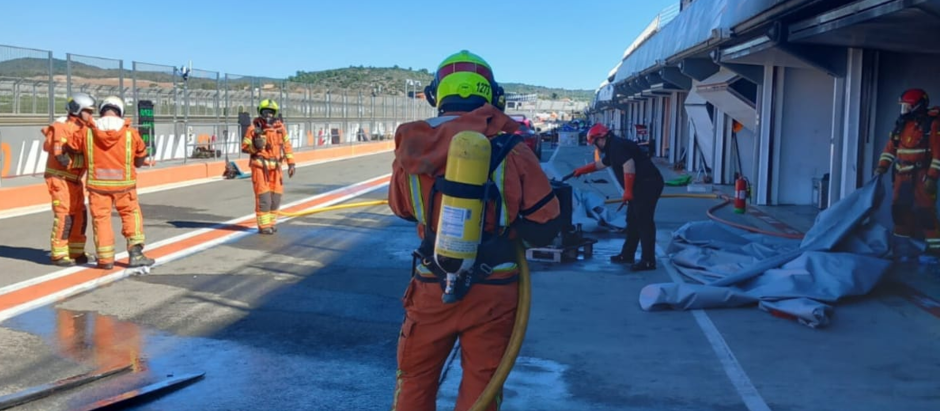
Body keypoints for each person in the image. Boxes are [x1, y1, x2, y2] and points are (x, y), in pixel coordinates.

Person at [387, 50, 561, 411]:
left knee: (415, 381)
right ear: (493, 96)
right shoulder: (511, 146)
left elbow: (401, 208)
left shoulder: (411, 147)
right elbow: (545, 223)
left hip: (431, 283)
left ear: (436, 94)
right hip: (494, 286)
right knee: (483, 385)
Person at [67, 96, 155, 269]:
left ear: (102, 110)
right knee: (131, 215)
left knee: (101, 220)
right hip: (125, 185)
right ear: (120, 111)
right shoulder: (130, 133)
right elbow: (140, 158)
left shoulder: (88, 131)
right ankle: (136, 254)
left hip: (97, 186)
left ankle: (105, 259)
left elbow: (72, 146)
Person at [571, 123, 664, 271]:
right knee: (632, 221)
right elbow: (603, 164)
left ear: (600, 138)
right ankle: (627, 255)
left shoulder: (617, 147)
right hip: (641, 185)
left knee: (644, 222)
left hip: (647, 185)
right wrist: (582, 170)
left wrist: (627, 191)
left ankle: (648, 261)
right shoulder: (613, 146)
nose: (596, 147)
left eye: (595, 143)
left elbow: (629, 165)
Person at [875, 88, 940, 256]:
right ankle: (901, 248)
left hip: (922, 176)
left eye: (907, 106)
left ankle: (935, 250)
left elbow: (938, 154)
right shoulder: (901, 125)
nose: (904, 110)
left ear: (917, 106)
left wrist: (932, 178)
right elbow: (890, 149)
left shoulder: (931, 125)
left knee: (926, 212)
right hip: (901, 177)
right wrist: (882, 166)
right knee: (899, 211)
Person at [41, 93, 94, 266]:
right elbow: (62, 159)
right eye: (87, 111)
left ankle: (76, 251)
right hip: (60, 178)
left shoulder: (83, 127)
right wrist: (86, 159)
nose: (90, 115)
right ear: (77, 110)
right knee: (65, 216)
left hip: (74, 180)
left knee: (80, 214)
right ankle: (59, 253)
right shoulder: (62, 126)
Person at [241, 99, 295, 234]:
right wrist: (255, 146)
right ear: (260, 112)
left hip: (276, 168)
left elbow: (287, 146)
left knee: (276, 197)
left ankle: (271, 223)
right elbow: (245, 147)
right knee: (264, 198)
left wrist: (291, 163)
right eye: (265, 112)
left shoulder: (280, 128)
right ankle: (264, 226)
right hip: (260, 167)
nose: (268, 115)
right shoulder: (253, 128)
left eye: (271, 113)